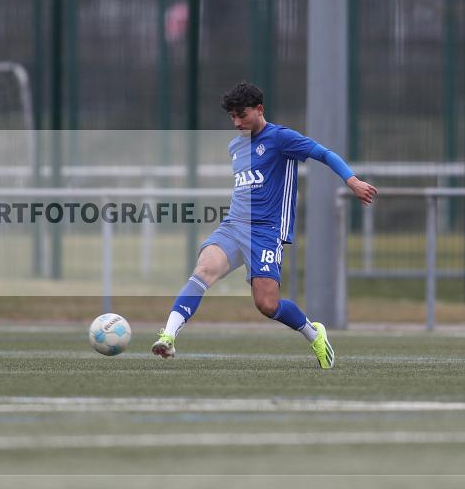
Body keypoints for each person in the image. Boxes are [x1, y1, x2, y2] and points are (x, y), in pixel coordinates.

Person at [152, 81, 377, 368]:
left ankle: (314, 333)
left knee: (267, 305)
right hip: (234, 226)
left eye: (241, 115)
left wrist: (353, 181)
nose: (236, 122)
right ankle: (168, 337)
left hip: (266, 232)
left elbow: (324, 153)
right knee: (203, 270)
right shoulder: (236, 146)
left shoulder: (282, 138)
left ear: (259, 109)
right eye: (231, 117)